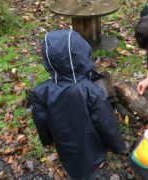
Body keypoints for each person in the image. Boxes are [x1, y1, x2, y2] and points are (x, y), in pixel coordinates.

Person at [32, 30, 125, 180]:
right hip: (91, 146)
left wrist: (47, 140)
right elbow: (106, 122)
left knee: (73, 169)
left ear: (49, 60)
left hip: (64, 145)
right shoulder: (91, 91)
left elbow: (40, 120)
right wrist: (118, 146)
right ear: (81, 57)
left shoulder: (41, 91)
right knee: (87, 172)